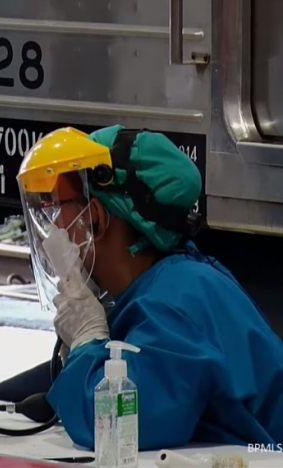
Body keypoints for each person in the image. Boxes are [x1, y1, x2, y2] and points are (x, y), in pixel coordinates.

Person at [16, 125, 283, 450]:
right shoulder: (167, 286)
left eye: (59, 207)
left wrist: (87, 341)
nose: (56, 227)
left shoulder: (177, 303)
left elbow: (117, 428)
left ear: (96, 218)